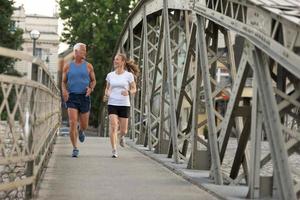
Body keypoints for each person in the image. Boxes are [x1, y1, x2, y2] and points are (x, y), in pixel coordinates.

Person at [61, 43, 96, 157]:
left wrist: (91, 88)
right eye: (83, 50)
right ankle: (75, 148)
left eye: (85, 50)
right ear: (76, 52)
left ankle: (81, 131)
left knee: (84, 124)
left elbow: (93, 81)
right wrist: (64, 91)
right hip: (72, 97)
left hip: (84, 97)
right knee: (72, 123)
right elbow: (63, 81)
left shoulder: (88, 66)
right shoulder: (67, 66)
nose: (85, 52)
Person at [104, 53, 139, 158]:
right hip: (112, 103)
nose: (115, 61)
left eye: (117, 59)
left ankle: (122, 136)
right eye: (115, 59)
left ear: (123, 62)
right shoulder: (110, 75)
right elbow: (107, 88)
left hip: (124, 104)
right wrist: (107, 93)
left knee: (124, 130)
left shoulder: (129, 75)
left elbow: (134, 88)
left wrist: (128, 91)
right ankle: (114, 150)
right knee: (113, 126)